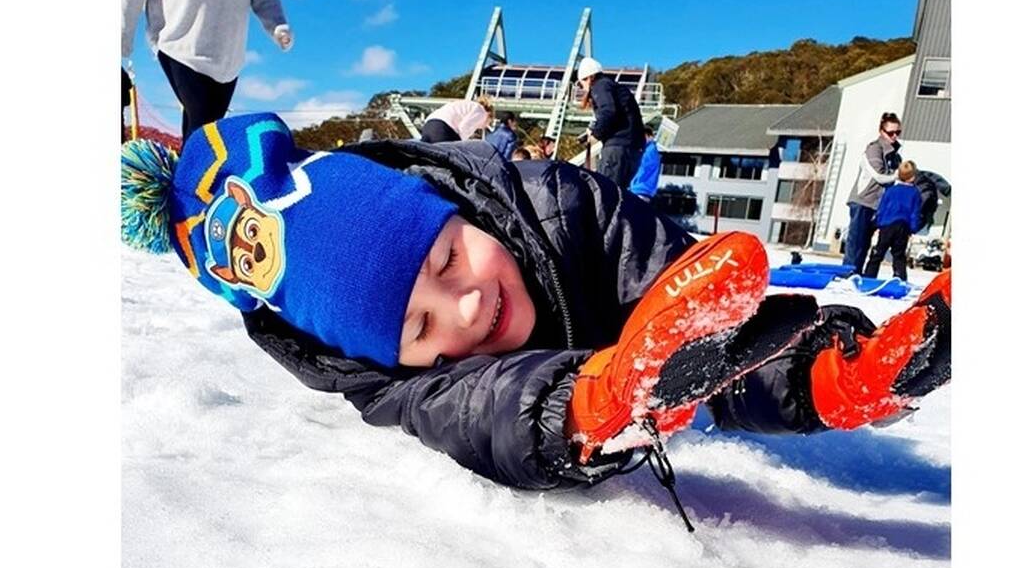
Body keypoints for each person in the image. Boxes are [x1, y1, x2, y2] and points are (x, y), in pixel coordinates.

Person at [121, 112, 950, 525]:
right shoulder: (401, 381)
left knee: (724, 330)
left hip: (654, 331)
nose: (468, 306)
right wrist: (586, 404)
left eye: (447, 261)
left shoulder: (563, 205)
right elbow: (478, 412)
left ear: (450, 207)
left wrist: (819, 375)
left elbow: (700, 306)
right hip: (589, 390)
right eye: (420, 327)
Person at [121, 0, 294, 144]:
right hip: (181, 43)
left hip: (228, 56)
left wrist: (277, 24)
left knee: (206, 128)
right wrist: (122, 35)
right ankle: (196, 170)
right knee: (203, 129)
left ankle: (189, 169)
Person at [843, 112, 903, 275]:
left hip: (878, 206)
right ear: (881, 131)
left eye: (898, 133)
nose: (894, 136)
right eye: (890, 133)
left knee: (866, 243)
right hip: (863, 201)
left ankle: (859, 274)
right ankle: (848, 273)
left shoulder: (895, 155)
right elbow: (879, 176)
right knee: (856, 242)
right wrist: (898, 175)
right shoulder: (874, 149)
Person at [576, 57, 646, 189]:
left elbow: (608, 111)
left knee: (606, 192)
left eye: (580, 84)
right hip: (634, 148)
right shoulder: (615, 88)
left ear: (588, 78)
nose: (582, 89)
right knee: (620, 195)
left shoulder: (600, 86)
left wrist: (596, 134)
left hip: (617, 148)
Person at [863, 161, 923, 281]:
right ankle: (900, 278)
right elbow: (915, 213)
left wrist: (878, 223)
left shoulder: (891, 190)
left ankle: (869, 277)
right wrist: (913, 228)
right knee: (899, 255)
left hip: (887, 225)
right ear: (913, 177)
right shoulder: (915, 193)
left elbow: (882, 208)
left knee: (878, 252)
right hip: (903, 226)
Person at [420, 96, 493, 143]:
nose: (486, 126)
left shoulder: (466, 104)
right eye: (489, 122)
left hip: (428, 125)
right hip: (443, 127)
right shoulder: (482, 112)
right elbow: (464, 127)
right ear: (489, 115)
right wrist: (461, 144)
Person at [628, 126, 661, 200]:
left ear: (649, 136)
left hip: (640, 188)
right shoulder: (651, 150)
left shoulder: (649, 151)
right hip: (644, 189)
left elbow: (641, 168)